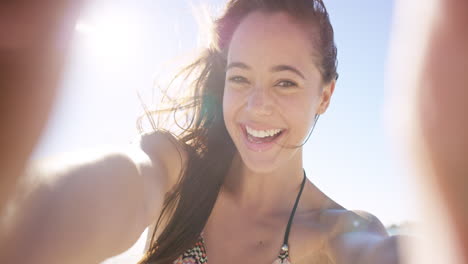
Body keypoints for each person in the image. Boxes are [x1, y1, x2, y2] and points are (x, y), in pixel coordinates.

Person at [10, 0, 468, 263]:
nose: (257, 105)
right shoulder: (173, 169)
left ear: (325, 96)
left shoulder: (337, 234)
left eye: (285, 81)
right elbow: (108, 188)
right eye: (240, 77)